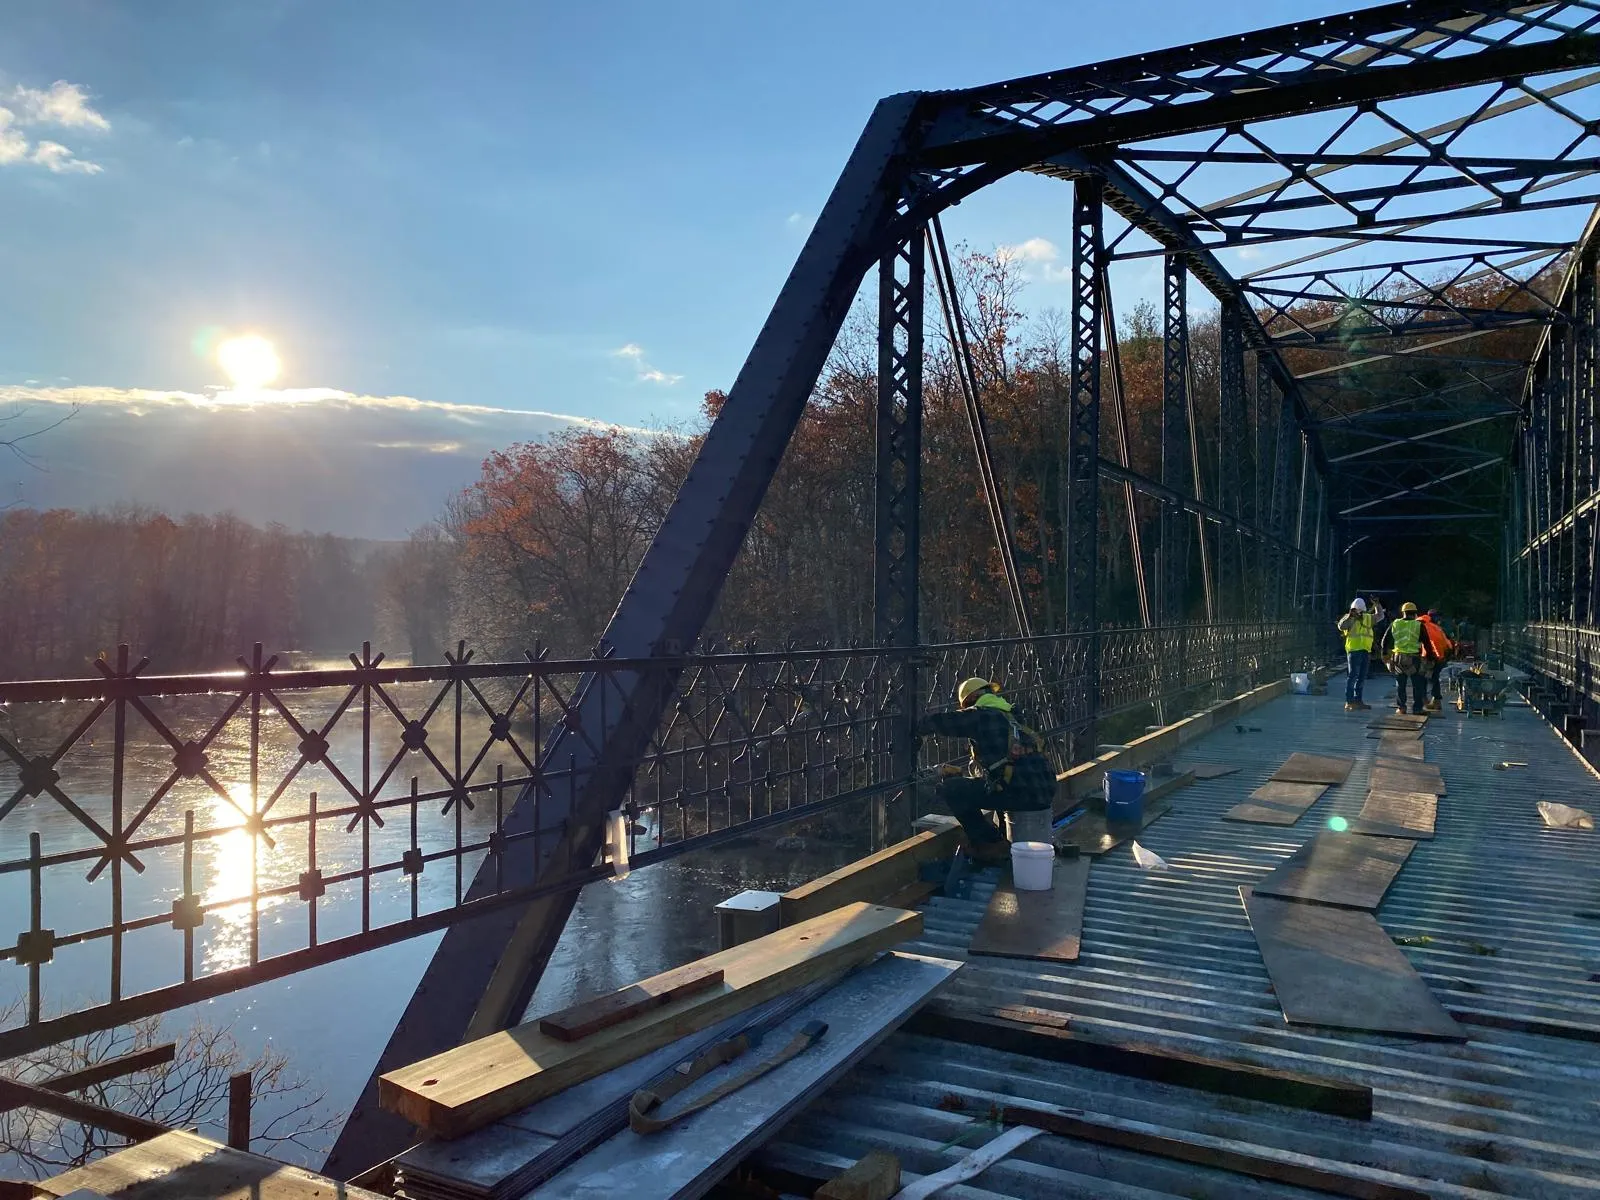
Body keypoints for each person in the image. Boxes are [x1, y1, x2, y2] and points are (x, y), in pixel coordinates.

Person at [917, 677, 1057, 866]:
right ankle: (1001, 840)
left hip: (1020, 794)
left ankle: (991, 845)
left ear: (972, 699)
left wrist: (917, 725)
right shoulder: (1014, 716)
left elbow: (946, 722)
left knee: (951, 789)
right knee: (998, 784)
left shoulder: (982, 715)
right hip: (1044, 792)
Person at [1382, 602, 1436, 716]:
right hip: (1414, 659)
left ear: (1403, 613)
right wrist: (1430, 658)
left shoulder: (1395, 624)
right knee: (1417, 685)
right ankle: (1417, 708)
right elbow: (1427, 644)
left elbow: (1384, 641)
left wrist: (1385, 655)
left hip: (1398, 658)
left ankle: (1402, 708)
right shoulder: (1419, 625)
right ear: (1415, 613)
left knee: (1400, 685)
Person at [1336, 596, 1384, 711]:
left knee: (1361, 677)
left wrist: (1377, 605)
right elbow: (1341, 626)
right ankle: (1349, 701)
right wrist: (1350, 616)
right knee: (1352, 676)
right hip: (1353, 650)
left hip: (1365, 650)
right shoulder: (1349, 618)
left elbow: (1380, 616)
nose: (1358, 612)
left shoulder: (1368, 617)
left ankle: (1358, 701)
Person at [1419, 609, 1454, 713]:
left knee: (1426, 678)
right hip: (1439, 655)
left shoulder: (1430, 626)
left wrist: (1438, 657)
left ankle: (1428, 700)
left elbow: (1435, 642)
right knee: (1432, 678)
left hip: (1433, 656)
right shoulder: (1432, 627)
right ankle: (1434, 701)